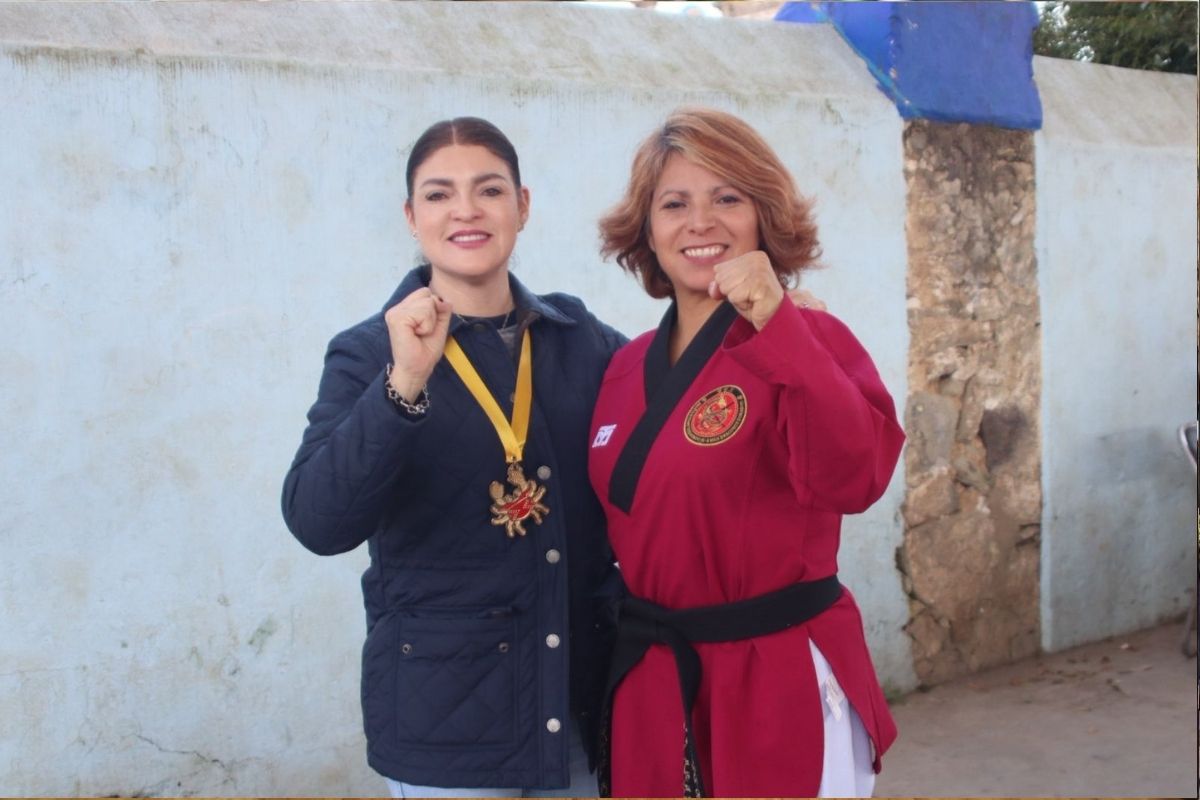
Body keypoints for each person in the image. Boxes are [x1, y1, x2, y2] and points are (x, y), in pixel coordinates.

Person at [281, 117, 625, 797]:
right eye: (439, 195)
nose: (465, 210)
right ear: (412, 217)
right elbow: (318, 521)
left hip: (575, 706)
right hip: (448, 724)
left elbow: (672, 407)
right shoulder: (369, 354)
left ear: (522, 207)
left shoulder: (579, 340)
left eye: (488, 190)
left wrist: (759, 336)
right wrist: (401, 384)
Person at [588, 107, 906, 798]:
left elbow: (856, 477)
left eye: (726, 198)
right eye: (674, 204)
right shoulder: (622, 369)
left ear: (763, 215)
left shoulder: (810, 338)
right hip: (656, 680)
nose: (700, 222)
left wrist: (779, 324)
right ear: (647, 231)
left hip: (775, 677)